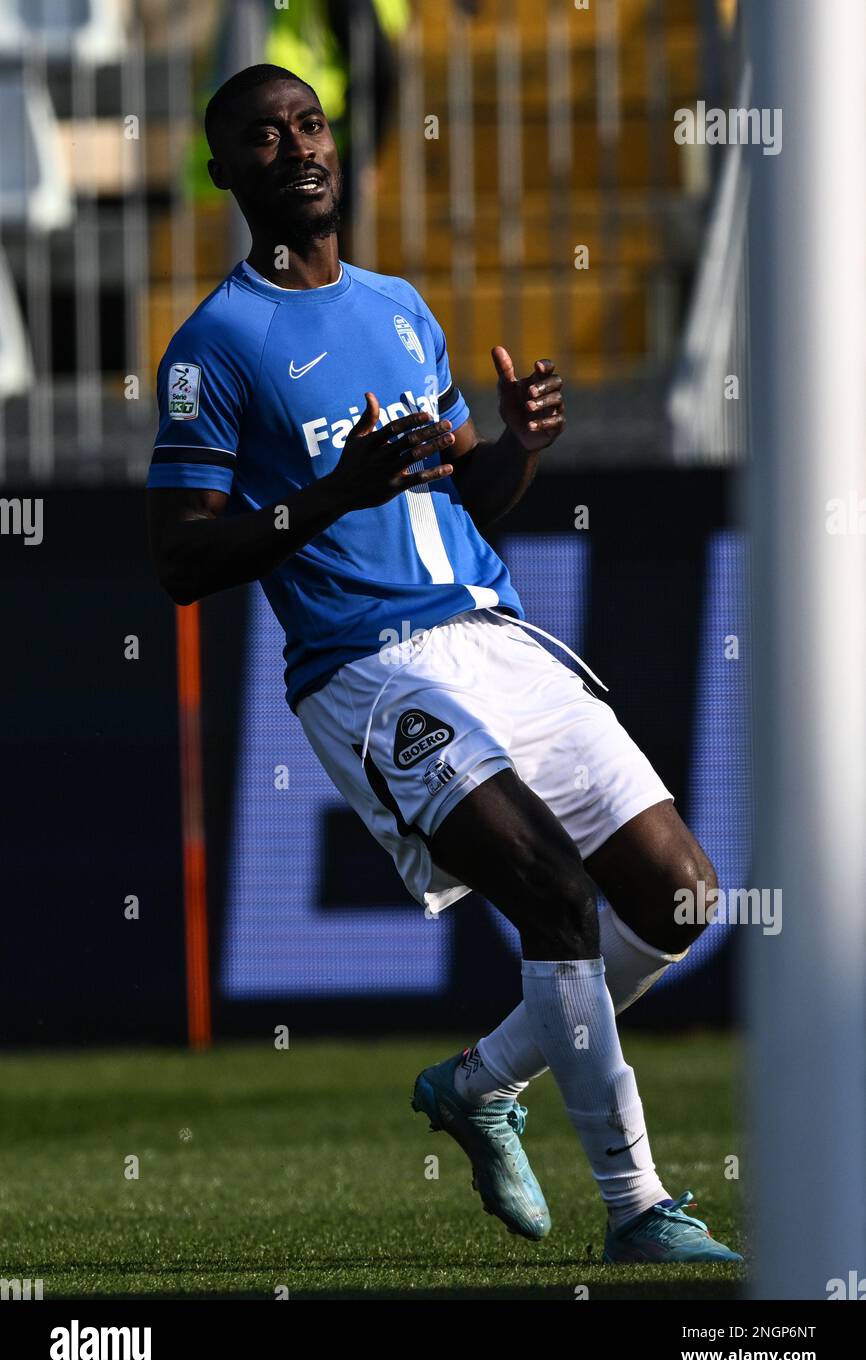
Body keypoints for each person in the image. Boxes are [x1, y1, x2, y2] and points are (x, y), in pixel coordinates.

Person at [146, 64, 741, 1264]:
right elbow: (181, 561)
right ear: (226, 172)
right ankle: (637, 1209)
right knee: (554, 897)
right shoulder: (213, 348)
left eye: (309, 125)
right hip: (368, 670)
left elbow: (458, 498)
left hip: (493, 633)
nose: (297, 149)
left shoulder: (403, 306)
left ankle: (477, 1083)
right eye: (264, 138)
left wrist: (517, 446)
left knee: (680, 895)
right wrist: (326, 495)